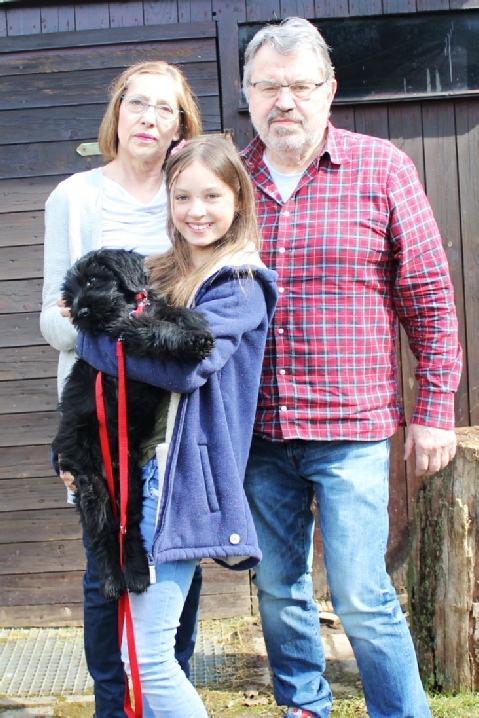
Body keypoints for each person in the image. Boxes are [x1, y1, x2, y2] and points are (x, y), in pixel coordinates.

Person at [238, 17, 462, 718]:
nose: (284, 101)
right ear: (246, 93)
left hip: (353, 431)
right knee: (278, 590)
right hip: (255, 431)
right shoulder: (226, 180)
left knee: (363, 595)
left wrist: (433, 411)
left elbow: (429, 297)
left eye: (300, 86)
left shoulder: (381, 167)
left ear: (329, 90)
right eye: (267, 87)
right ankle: (304, 706)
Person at [73, 135, 278, 716]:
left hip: (179, 483)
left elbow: (187, 368)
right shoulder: (158, 273)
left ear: (238, 199)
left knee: (149, 657)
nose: (196, 210)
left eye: (212, 196)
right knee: (135, 650)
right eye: (182, 196)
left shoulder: (240, 284)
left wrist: (91, 341)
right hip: (135, 471)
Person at [40, 60, 204, 717]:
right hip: (100, 416)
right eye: (137, 103)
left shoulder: (189, 194)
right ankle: (114, 707)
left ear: (180, 125)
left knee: (177, 566)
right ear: (117, 112)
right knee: (105, 567)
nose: (148, 117)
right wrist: (109, 333)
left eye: (165, 108)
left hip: (177, 419)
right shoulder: (76, 198)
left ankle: (167, 693)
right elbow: (52, 316)